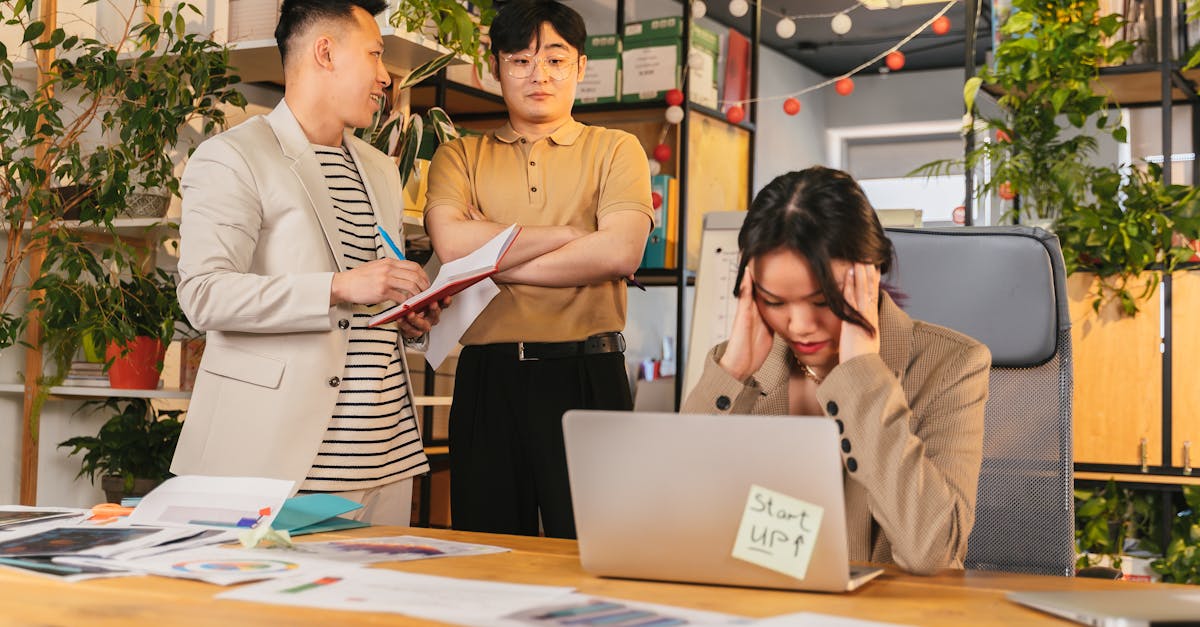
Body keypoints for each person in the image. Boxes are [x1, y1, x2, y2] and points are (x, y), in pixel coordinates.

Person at [170, 0, 446, 525]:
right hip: (283, 461)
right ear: (325, 52)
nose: (385, 77)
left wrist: (409, 316)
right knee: (272, 609)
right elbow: (204, 295)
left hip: (386, 460)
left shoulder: (381, 168)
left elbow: (372, 291)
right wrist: (340, 287)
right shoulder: (233, 156)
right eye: (375, 54)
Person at [682, 167, 990, 574]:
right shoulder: (737, 367)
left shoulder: (951, 366)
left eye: (822, 300)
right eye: (775, 301)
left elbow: (931, 553)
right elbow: (674, 514)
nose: (799, 325)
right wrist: (733, 370)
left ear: (870, 273)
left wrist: (862, 377)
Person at [423, 0, 653, 538]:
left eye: (555, 59)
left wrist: (490, 262)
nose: (538, 75)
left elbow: (619, 254)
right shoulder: (459, 156)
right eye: (520, 60)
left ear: (580, 67)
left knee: (600, 546)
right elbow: (453, 245)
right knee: (488, 549)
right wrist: (570, 237)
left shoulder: (617, 149)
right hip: (486, 377)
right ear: (493, 68)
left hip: (588, 373)